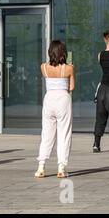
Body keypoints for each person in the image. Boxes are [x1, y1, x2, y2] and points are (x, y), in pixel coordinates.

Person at [35, 40, 75, 178]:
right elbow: (71, 87)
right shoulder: (69, 68)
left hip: (49, 99)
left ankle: (41, 166)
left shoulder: (43, 67)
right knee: (64, 133)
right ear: (63, 52)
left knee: (46, 133)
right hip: (63, 99)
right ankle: (61, 167)